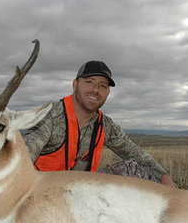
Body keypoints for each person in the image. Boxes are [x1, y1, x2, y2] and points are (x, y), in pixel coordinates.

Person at [23, 60, 177, 189]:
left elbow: (134, 152)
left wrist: (164, 176)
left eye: (103, 86)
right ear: (75, 84)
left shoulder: (105, 125)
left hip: (81, 191)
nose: (96, 90)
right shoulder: (49, 115)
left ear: (108, 93)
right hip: (41, 192)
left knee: (136, 168)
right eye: (89, 82)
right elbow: (25, 155)